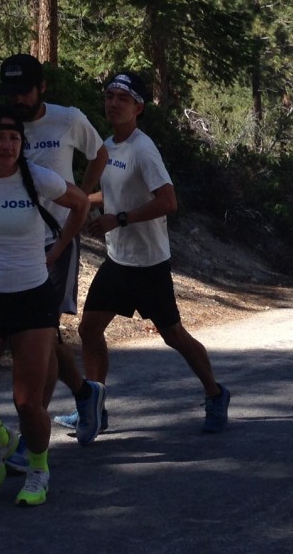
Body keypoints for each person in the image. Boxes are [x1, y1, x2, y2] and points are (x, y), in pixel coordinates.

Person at [0, 105, 90, 507]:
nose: (7, 145)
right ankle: (1, 443)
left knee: (28, 402)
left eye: (13, 138)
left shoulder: (40, 178)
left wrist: (59, 247)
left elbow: (80, 204)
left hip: (32, 298)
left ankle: (40, 468)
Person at [78, 72, 231, 439]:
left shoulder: (143, 150)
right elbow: (112, 194)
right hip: (118, 260)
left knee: (174, 336)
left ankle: (215, 392)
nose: (113, 103)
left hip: (148, 264)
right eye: (109, 95)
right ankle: (95, 406)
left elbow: (168, 201)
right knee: (88, 329)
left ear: (139, 108)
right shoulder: (108, 145)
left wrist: (121, 219)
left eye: (123, 99)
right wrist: (82, 200)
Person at [0, 54, 110, 455]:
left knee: (40, 333)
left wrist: (83, 197)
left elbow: (100, 154)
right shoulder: (4, 125)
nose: (17, 99)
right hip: (14, 245)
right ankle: (83, 391)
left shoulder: (68, 118)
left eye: (24, 91)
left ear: (42, 88)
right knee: (43, 335)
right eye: (11, 92)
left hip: (56, 241)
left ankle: (30, 436)